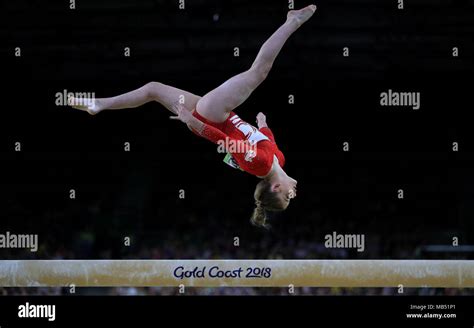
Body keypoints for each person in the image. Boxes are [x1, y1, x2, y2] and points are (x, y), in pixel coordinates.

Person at [70, 5, 317, 227]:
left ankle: (292, 21)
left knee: (258, 72)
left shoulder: (259, 165)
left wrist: (194, 123)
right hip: (215, 114)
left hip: (213, 116)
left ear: (275, 187)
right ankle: (99, 104)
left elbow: (225, 142)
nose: (293, 194)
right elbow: (269, 142)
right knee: (153, 89)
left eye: (287, 197)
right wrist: (263, 125)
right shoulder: (277, 161)